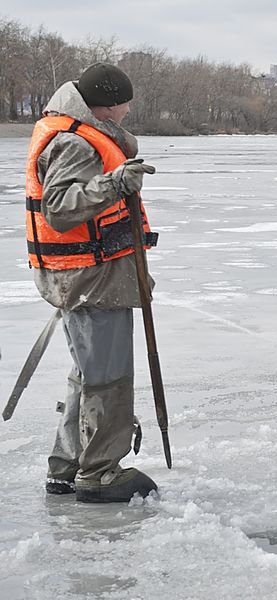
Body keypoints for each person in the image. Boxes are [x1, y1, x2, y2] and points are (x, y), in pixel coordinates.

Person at [25, 62, 158, 502]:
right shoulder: (75, 142)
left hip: (90, 275)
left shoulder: (76, 133)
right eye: (125, 103)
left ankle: (66, 466)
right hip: (89, 278)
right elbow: (60, 210)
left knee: (89, 373)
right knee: (108, 376)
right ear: (111, 103)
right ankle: (99, 472)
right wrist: (115, 184)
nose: (127, 112)